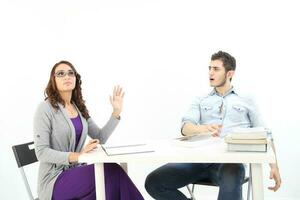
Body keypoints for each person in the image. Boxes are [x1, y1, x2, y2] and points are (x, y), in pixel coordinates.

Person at [145, 51, 281, 200]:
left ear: (229, 73)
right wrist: (201, 129)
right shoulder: (201, 100)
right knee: (154, 182)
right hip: (198, 160)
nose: (210, 73)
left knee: (232, 172)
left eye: (216, 69)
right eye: (209, 68)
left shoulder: (246, 100)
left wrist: (274, 166)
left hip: (230, 163)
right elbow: (185, 127)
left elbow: (266, 134)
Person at [33, 60, 144, 200]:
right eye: (60, 74)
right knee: (110, 171)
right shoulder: (45, 109)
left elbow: (99, 137)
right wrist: (78, 155)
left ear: (76, 79)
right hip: (53, 181)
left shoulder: (78, 108)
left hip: (74, 173)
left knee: (110, 182)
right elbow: (41, 152)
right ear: (53, 80)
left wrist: (116, 112)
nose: (66, 76)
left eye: (70, 73)